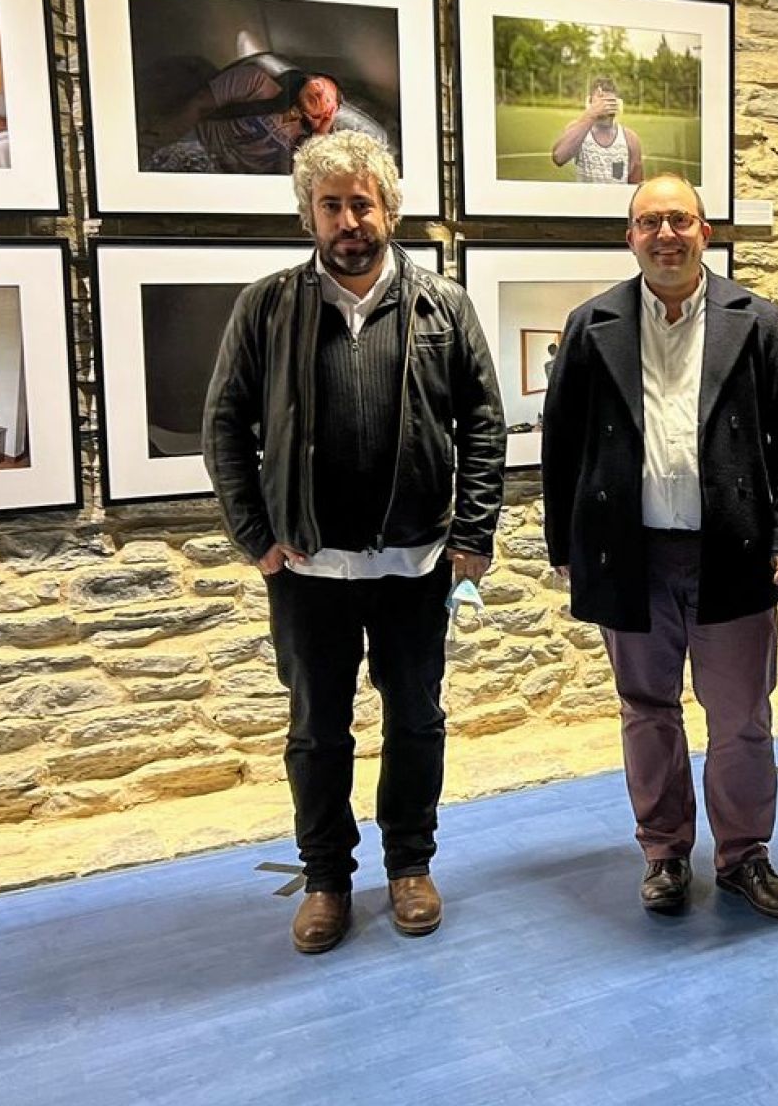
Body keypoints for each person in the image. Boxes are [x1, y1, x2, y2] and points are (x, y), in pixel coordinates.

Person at [203, 130, 507, 954]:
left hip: (415, 563)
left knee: (416, 721)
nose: (348, 220)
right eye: (331, 205)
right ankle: (329, 880)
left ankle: (410, 866)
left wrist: (473, 532)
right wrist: (257, 539)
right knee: (317, 730)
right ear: (309, 213)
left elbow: (483, 422)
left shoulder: (442, 304)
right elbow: (224, 426)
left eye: (361, 203)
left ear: (389, 209)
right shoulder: (266, 306)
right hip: (307, 568)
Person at [542, 173, 778, 920]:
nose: (666, 234)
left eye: (680, 221)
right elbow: (561, 444)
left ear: (705, 232)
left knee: (740, 717)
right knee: (646, 708)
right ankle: (664, 852)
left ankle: (743, 856)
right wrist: (563, 542)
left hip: (733, 552)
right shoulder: (591, 323)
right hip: (629, 554)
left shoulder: (756, 321)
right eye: (649, 222)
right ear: (629, 236)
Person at [151, 59, 342, 175]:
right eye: (318, 86)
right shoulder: (256, 82)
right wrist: (158, 140)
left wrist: (320, 134)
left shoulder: (302, 142)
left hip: (230, 181)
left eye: (326, 98)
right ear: (305, 80)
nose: (319, 94)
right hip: (197, 145)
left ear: (329, 112)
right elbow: (199, 104)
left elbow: (300, 183)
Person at [550, 75, 644, 185]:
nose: (605, 105)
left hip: (617, 201)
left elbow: (635, 184)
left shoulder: (630, 138)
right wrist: (591, 114)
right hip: (585, 200)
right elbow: (559, 157)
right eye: (601, 101)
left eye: (609, 101)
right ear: (590, 102)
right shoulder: (578, 129)